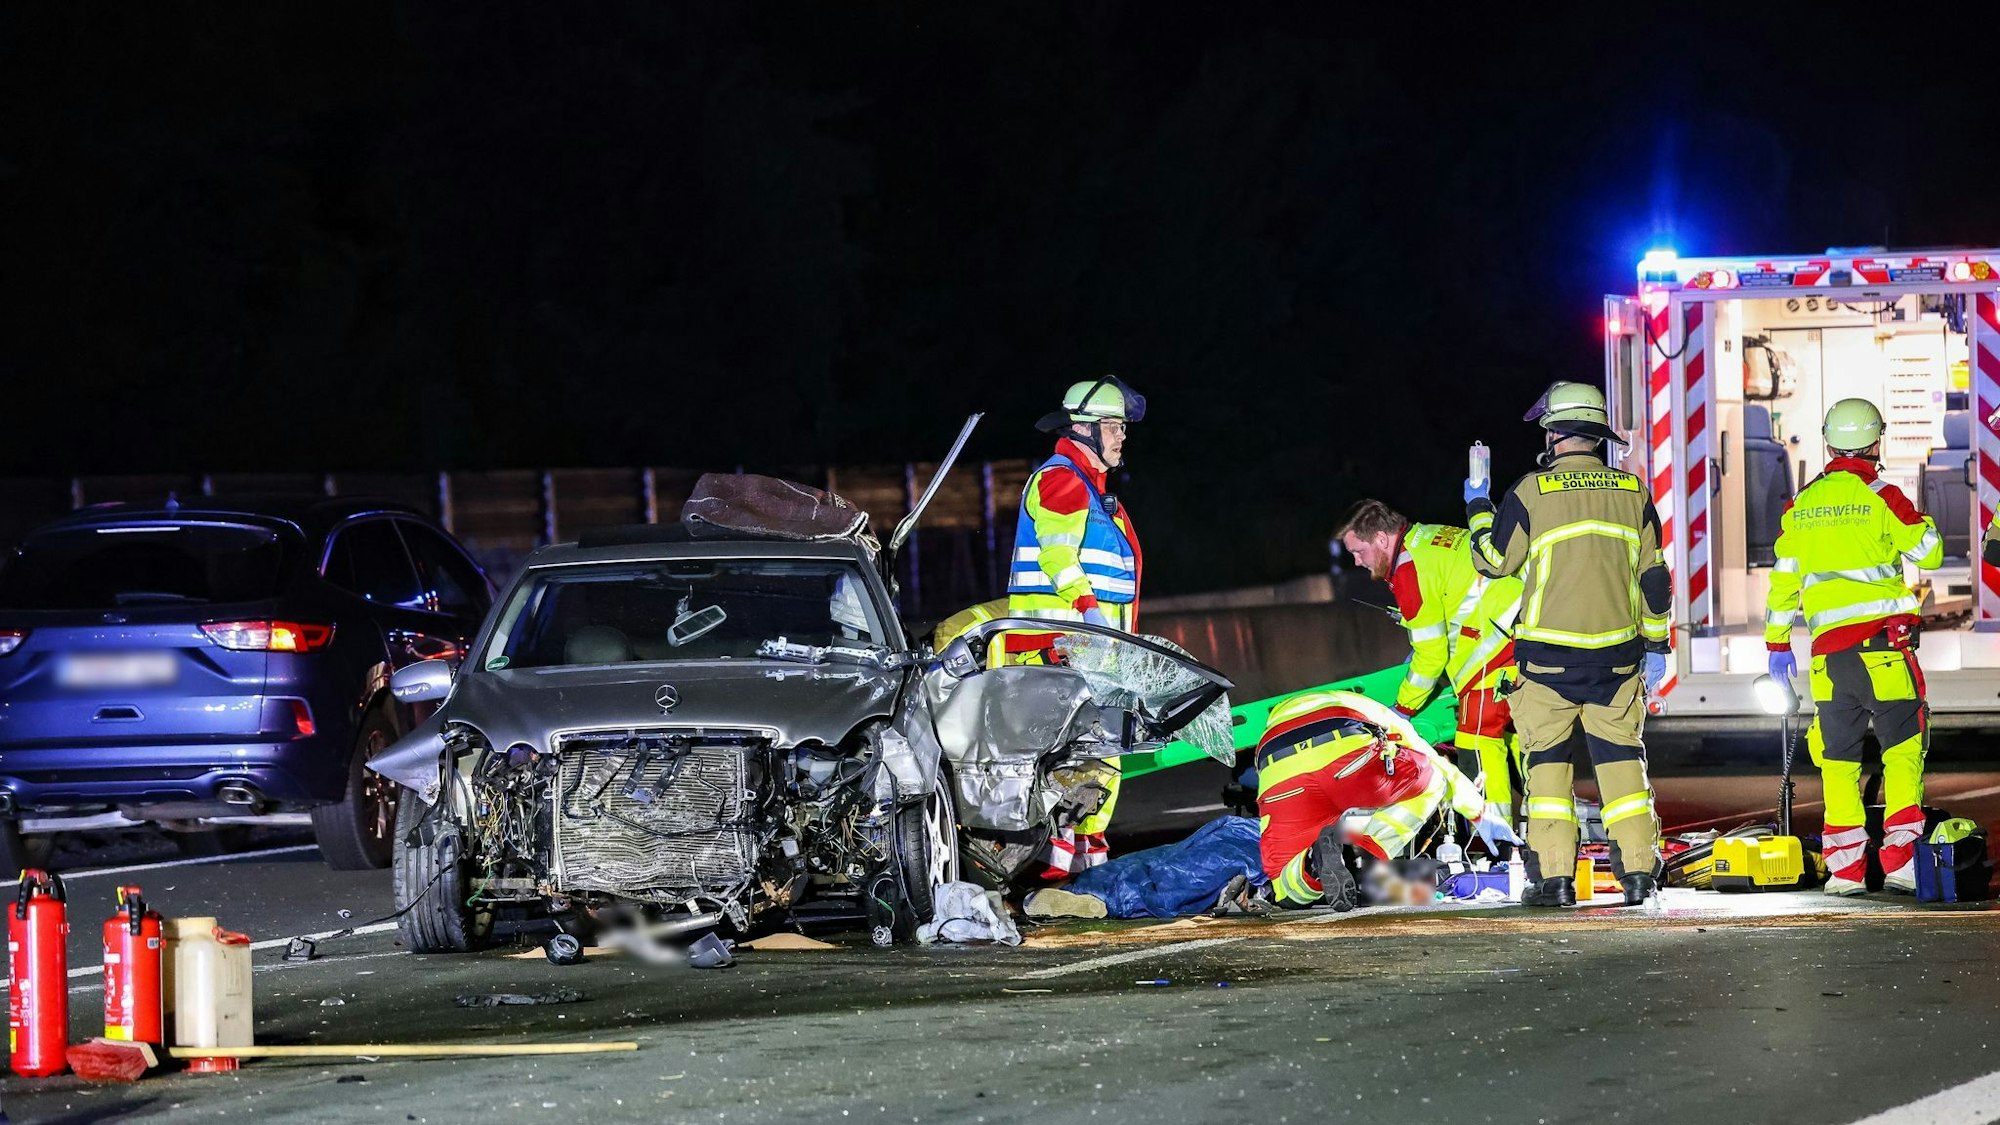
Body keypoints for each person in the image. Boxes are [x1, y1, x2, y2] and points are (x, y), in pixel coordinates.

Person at [1465, 381, 1672, 907]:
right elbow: (1654, 580)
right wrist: (1656, 644)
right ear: (1596, 434)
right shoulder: (1633, 491)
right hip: (1617, 664)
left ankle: (1555, 881)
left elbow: (1494, 561)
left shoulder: (1531, 491)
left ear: (1555, 433)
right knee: (1624, 768)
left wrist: (1478, 505)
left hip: (1547, 667)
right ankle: (1639, 877)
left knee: (1548, 773)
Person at [1765, 398, 1943, 895]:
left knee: (1838, 760)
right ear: (1875, 442)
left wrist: (1777, 644)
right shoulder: (1884, 494)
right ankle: (1903, 863)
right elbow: (1929, 550)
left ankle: (1845, 872)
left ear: (1827, 443)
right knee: (1903, 752)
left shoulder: (1802, 504)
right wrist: (1923, 523)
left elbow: (1784, 583)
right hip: (1883, 650)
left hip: (1830, 660)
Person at [1005, 376, 1146, 873]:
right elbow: (1057, 556)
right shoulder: (1062, 480)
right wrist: (1088, 614)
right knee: (1079, 757)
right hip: (1064, 649)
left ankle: (1086, 864)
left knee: (1102, 754)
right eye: (1113, 426)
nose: (1121, 436)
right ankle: (1060, 871)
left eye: (1122, 426)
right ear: (1083, 430)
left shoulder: (1094, 491)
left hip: (1092, 651)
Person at [1333, 499, 1527, 836]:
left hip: (1495, 647)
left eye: (1358, 550)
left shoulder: (1409, 570)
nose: (1356, 561)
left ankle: (1501, 842)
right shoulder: (1426, 538)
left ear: (1380, 539)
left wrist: (1403, 707)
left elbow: (1431, 656)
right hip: (1524, 634)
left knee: (1477, 739)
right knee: (1517, 739)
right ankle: (1540, 828)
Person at [1256, 689, 1519, 910]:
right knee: (1434, 777)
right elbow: (1433, 759)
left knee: (1285, 890)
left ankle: (1313, 863)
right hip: (1345, 747)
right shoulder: (1374, 709)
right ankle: (1361, 853)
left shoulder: (1282, 715)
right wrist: (1479, 813)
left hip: (1275, 768)